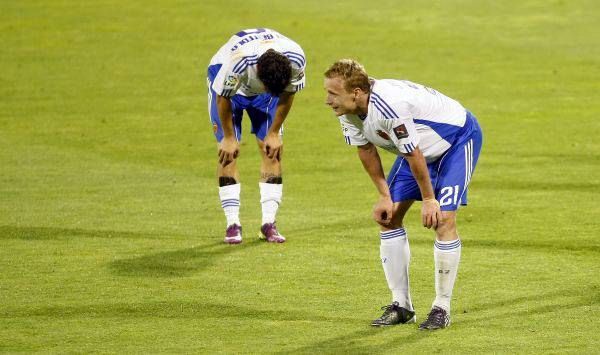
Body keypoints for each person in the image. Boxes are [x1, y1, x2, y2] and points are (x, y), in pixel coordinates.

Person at [323, 59, 483, 330]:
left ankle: (441, 307)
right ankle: (401, 305)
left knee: (443, 219)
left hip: (456, 140)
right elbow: (366, 150)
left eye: (332, 93)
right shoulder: (348, 111)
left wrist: (430, 199)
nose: (327, 100)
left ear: (356, 93)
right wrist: (384, 195)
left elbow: (413, 153)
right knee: (388, 217)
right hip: (416, 150)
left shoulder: (389, 106)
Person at [207, 28, 306, 244]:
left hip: (265, 87)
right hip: (228, 89)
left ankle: (268, 224)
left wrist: (273, 133)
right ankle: (232, 224)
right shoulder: (238, 64)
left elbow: (288, 93)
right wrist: (229, 138)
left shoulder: (296, 60)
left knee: (272, 150)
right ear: (258, 73)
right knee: (227, 153)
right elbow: (223, 98)